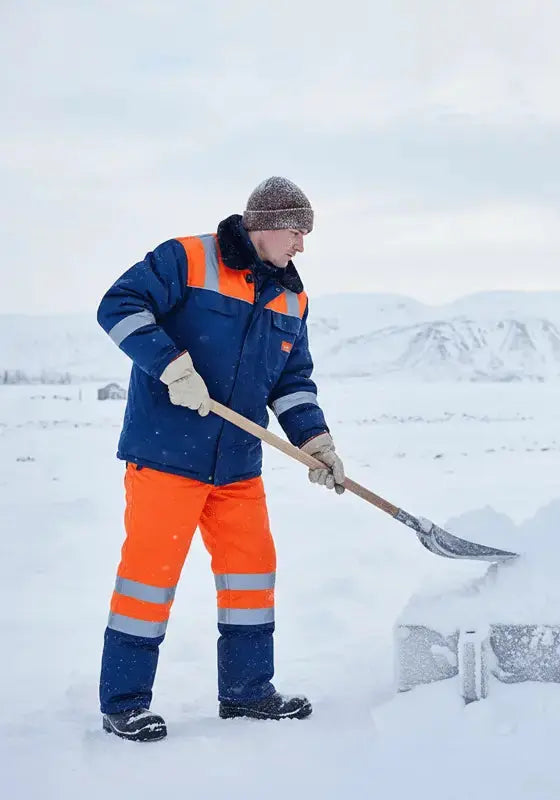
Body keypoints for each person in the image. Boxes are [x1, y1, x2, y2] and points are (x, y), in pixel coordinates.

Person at [96, 177, 345, 742]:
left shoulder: (292, 297)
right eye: (298, 232)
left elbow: (290, 380)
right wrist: (170, 365)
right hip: (165, 453)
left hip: (236, 465)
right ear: (267, 224)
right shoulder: (187, 259)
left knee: (252, 574)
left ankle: (248, 692)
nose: (302, 246)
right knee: (148, 581)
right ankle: (125, 703)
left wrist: (315, 442)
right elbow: (119, 305)